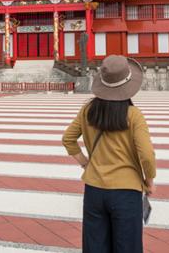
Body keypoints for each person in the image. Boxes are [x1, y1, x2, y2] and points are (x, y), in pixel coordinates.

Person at [62, 55, 156, 253]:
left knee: (94, 247)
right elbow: (146, 154)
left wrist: (85, 163)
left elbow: (68, 139)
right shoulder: (133, 115)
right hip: (126, 191)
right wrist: (149, 180)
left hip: (94, 190)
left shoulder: (88, 110)